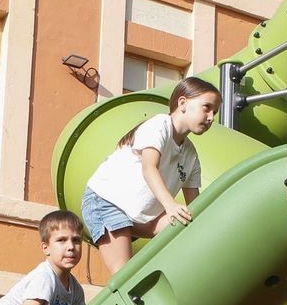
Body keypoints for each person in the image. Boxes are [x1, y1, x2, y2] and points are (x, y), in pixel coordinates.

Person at [82, 76, 218, 273]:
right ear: (183, 103)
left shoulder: (190, 154)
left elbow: (195, 206)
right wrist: (170, 205)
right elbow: (149, 168)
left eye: (215, 112)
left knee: (186, 223)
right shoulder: (160, 125)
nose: (211, 117)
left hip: (143, 217)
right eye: (207, 107)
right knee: (123, 272)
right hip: (107, 202)